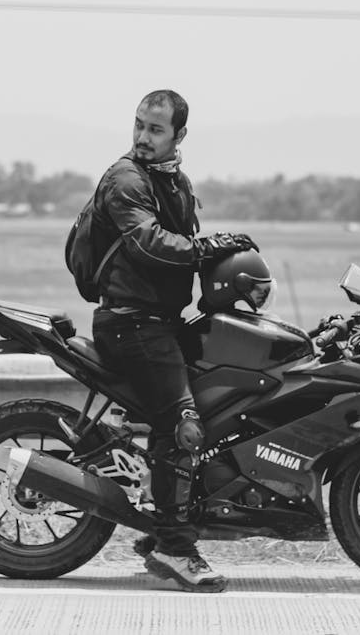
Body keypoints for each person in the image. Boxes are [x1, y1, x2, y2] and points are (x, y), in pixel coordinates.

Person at [89, 89, 256, 593]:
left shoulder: (175, 182)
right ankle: (175, 550)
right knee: (184, 426)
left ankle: (163, 524)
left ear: (178, 136)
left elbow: (189, 251)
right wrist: (212, 245)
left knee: (216, 393)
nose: (142, 136)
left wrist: (239, 273)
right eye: (139, 124)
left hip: (159, 321)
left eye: (155, 129)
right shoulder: (125, 179)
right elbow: (151, 244)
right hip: (130, 323)